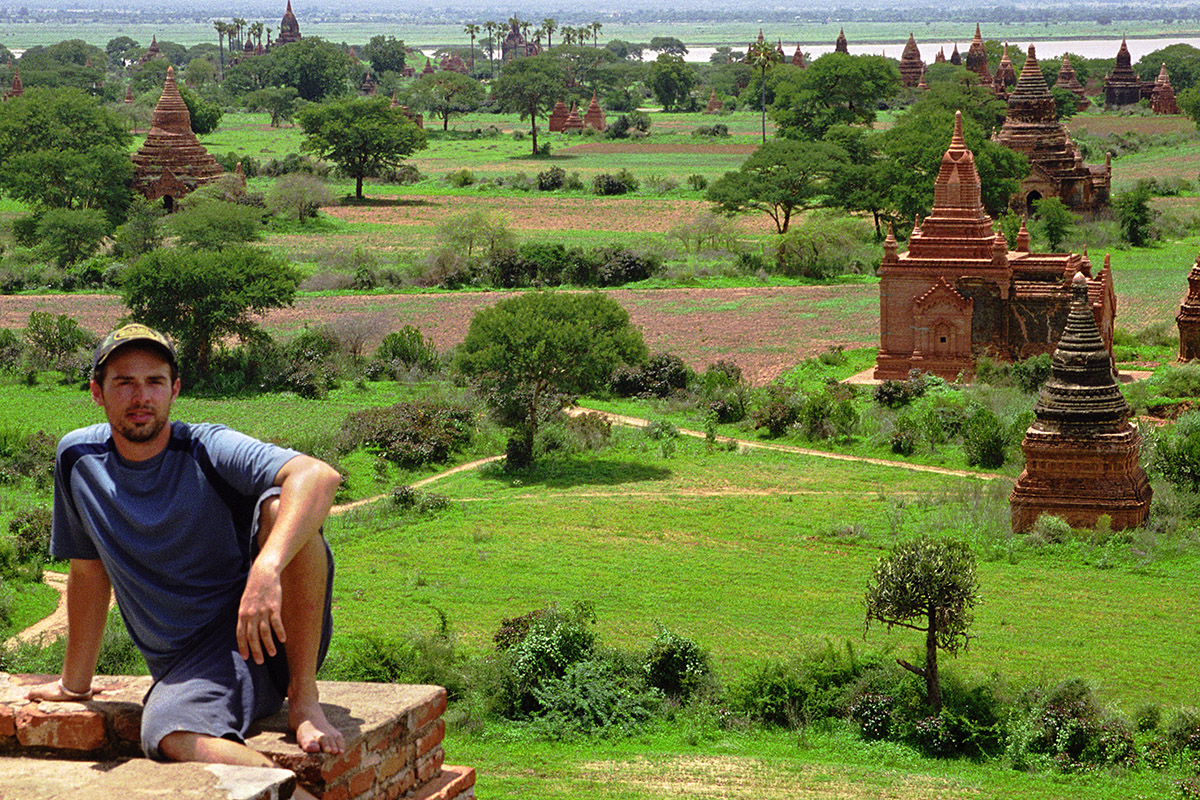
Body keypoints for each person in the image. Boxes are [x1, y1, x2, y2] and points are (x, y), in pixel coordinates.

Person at [27, 323, 345, 795]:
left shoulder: (204, 448)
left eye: (155, 382)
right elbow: (88, 570)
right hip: (192, 664)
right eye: (124, 383)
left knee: (282, 509)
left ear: (175, 389)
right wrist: (75, 686)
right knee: (167, 732)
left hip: (269, 631)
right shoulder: (78, 459)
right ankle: (285, 789)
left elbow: (318, 476)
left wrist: (266, 568)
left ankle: (303, 698)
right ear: (97, 392)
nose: (141, 397)